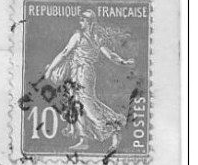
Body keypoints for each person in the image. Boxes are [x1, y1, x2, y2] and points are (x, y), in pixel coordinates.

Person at [43, 10, 135, 151]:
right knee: (77, 104)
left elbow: (64, 53)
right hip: (82, 73)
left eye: (83, 19)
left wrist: (50, 70)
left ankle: (113, 127)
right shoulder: (96, 37)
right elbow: (110, 55)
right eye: (80, 19)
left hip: (82, 73)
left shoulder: (79, 36)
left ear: (90, 22)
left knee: (87, 104)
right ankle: (83, 139)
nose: (80, 21)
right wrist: (123, 62)